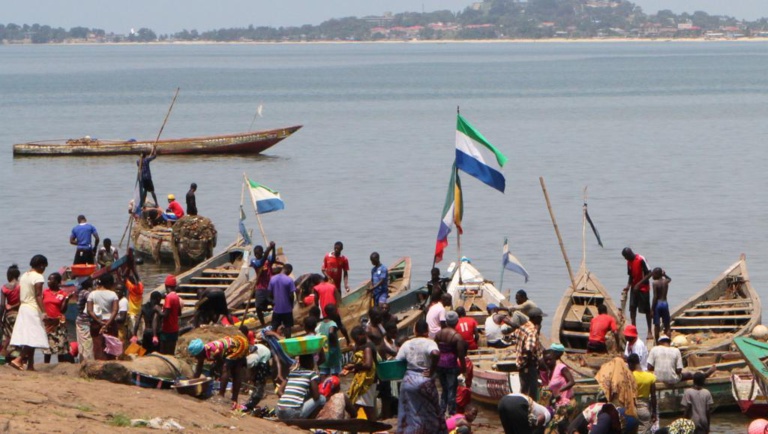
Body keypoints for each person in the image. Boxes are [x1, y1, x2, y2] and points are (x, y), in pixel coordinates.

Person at [395, 319, 446, 434]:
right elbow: (436, 354)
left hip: (408, 381)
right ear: (427, 331)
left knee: (409, 412)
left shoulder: (406, 344)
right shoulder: (430, 342)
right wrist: (432, 370)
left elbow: (398, 361)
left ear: (415, 331)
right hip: (424, 380)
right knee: (432, 411)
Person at [9, 255, 50, 371]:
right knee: (35, 336)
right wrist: (44, 312)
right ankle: (18, 359)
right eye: (44, 267)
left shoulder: (24, 276)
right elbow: (38, 295)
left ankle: (30, 365)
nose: (44, 270)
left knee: (30, 337)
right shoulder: (38, 277)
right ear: (41, 265)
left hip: (23, 308)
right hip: (32, 308)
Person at [188, 333, 250, 410]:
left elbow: (222, 364)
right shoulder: (203, 353)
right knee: (230, 369)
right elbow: (198, 370)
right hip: (231, 347)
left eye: (196, 356)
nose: (195, 358)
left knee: (229, 370)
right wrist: (191, 384)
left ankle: (222, 395)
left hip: (238, 346)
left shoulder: (213, 351)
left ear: (200, 353)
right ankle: (233, 400)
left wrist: (219, 366)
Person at [647, 335, 716, 385]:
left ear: (659, 343)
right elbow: (679, 370)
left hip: (657, 379)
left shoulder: (654, 349)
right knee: (689, 374)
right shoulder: (676, 350)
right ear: (669, 343)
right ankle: (705, 375)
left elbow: (649, 367)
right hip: (673, 380)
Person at [435, 311, 467, 416]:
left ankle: (441, 411)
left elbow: (435, 348)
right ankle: (452, 413)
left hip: (439, 364)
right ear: (457, 321)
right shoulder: (457, 337)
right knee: (452, 389)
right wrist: (464, 370)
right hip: (451, 364)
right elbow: (461, 355)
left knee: (444, 388)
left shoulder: (439, 334)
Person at [276, 353, 327, 419]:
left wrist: (288, 400)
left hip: (279, 411)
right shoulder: (311, 374)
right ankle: (310, 420)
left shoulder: (292, 373)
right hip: (292, 413)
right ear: (311, 362)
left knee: (306, 396)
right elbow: (316, 396)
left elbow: (279, 391)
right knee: (322, 399)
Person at [345, 325, 377, 421]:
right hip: (363, 381)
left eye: (357, 339)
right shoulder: (364, 346)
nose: (356, 342)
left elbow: (368, 365)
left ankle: (350, 425)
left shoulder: (367, 347)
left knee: (363, 407)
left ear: (362, 335)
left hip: (367, 382)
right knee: (362, 406)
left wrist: (353, 366)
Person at [541, 349, 575, 433]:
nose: (548, 362)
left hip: (567, 403)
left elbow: (571, 382)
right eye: (546, 360)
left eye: (550, 359)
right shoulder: (549, 372)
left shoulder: (561, 367)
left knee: (555, 427)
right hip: (558, 404)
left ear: (554, 358)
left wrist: (560, 391)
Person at [42, 272, 74, 364]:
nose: (48, 281)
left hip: (59, 322)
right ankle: (46, 365)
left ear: (57, 282)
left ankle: (60, 365)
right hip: (48, 322)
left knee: (60, 346)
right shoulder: (45, 292)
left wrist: (67, 300)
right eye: (48, 279)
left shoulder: (63, 294)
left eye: (51, 280)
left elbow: (62, 310)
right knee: (47, 347)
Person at [510, 309, 543, 400]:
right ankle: (531, 404)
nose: (542, 319)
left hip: (520, 362)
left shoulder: (522, 327)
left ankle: (522, 402)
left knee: (524, 387)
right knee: (532, 389)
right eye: (540, 317)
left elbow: (512, 336)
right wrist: (530, 363)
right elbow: (528, 349)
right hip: (528, 364)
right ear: (536, 318)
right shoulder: (532, 331)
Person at [622, 247, 652, 339]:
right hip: (634, 288)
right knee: (632, 309)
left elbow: (649, 273)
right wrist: (628, 286)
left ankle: (649, 331)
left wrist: (639, 284)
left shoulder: (640, 259)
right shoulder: (629, 262)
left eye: (626, 257)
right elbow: (631, 275)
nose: (625, 259)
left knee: (647, 310)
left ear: (630, 254)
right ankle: (634, 331)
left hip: (643, 288)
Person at [87, 274, 119, 360]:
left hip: (96, 323)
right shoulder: (113, 294)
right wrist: (107, 324)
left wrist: (99, 322)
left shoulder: (92, 294)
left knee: (98, 346)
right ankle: (111, 364)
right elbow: (115, 310)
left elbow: (89, 311)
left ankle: (99, 364)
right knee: (111, 346)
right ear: (109, 283)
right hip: (110, 323)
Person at [249, 241, 277, 327]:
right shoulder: (254, 261)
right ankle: (263, 324)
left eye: (258, 253)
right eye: (255, 254)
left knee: (275, 304)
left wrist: (273, 248)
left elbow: (273, 259)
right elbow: (260, 263)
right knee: (258, 307)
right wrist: (268, 249)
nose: (257, 255)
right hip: (260, 288)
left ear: (262, 253)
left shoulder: (268, 259)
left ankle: (275, 322)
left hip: (270, 287)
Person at [629, 353, 657, 434]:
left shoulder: (630, 376)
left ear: (630, 364)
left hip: (632, 409)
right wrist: (654, 412)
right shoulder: (650, 376)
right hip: (644, 409)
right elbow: (653, 396)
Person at [269, 263, 296, 338]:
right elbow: (291, 295)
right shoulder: (289, 280)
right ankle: (288, 341)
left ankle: (273, 341)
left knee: (274, 327)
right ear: (289, 271)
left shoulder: (272, 279)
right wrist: (291, 305)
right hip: (287, 309)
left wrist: (273, 303)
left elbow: (269, 294)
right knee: (288, 327)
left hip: (276, 308)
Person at [316, 304, 343, 378]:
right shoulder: (332, 323)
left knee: (324, 373)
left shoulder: (321, 323)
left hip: (324, 352)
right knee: (335, 374)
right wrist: (333, 344)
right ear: (332, 312)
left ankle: (323, 385)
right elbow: (331, 333)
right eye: (335, 311)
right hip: (333, 353)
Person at [1, 264, 21, 358]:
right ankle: (19, 357)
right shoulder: (21, 286)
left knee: (8, 336)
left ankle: (5, 355)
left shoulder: (5, 287)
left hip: (9, 315)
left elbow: (2, 305)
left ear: (9, 275)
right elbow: (23, 301)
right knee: (19, 335)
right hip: (20, 314)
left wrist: (0, 318)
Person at [159, 275, 181, 355]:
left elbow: (165, 315)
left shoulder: (168, 297)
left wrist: (157, 309)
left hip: (167, 330)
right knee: (171, 353)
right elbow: (179, 313)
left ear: (166, 286)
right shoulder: (176, 297)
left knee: (163, 353)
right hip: (175, 329)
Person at [74, 278, 94, 362]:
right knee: (87, 342)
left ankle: (82, 360)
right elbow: (92, 301)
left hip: (80, 320)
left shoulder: (80, 292)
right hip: (85, 321)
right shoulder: (86, 293)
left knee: (82, 343)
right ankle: (88, 361)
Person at [651, 268, 671, 343]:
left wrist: (652, 309)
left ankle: (657, 342)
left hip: (658, 304)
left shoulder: (655, 283)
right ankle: (668, 342)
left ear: (657, 274)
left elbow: (655, 297)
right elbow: (670, 279)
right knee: (667, 325)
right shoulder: (665, 281)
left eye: (653, 274)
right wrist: (664, 275)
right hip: (665, 303)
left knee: (657, 325)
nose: (652, 275)